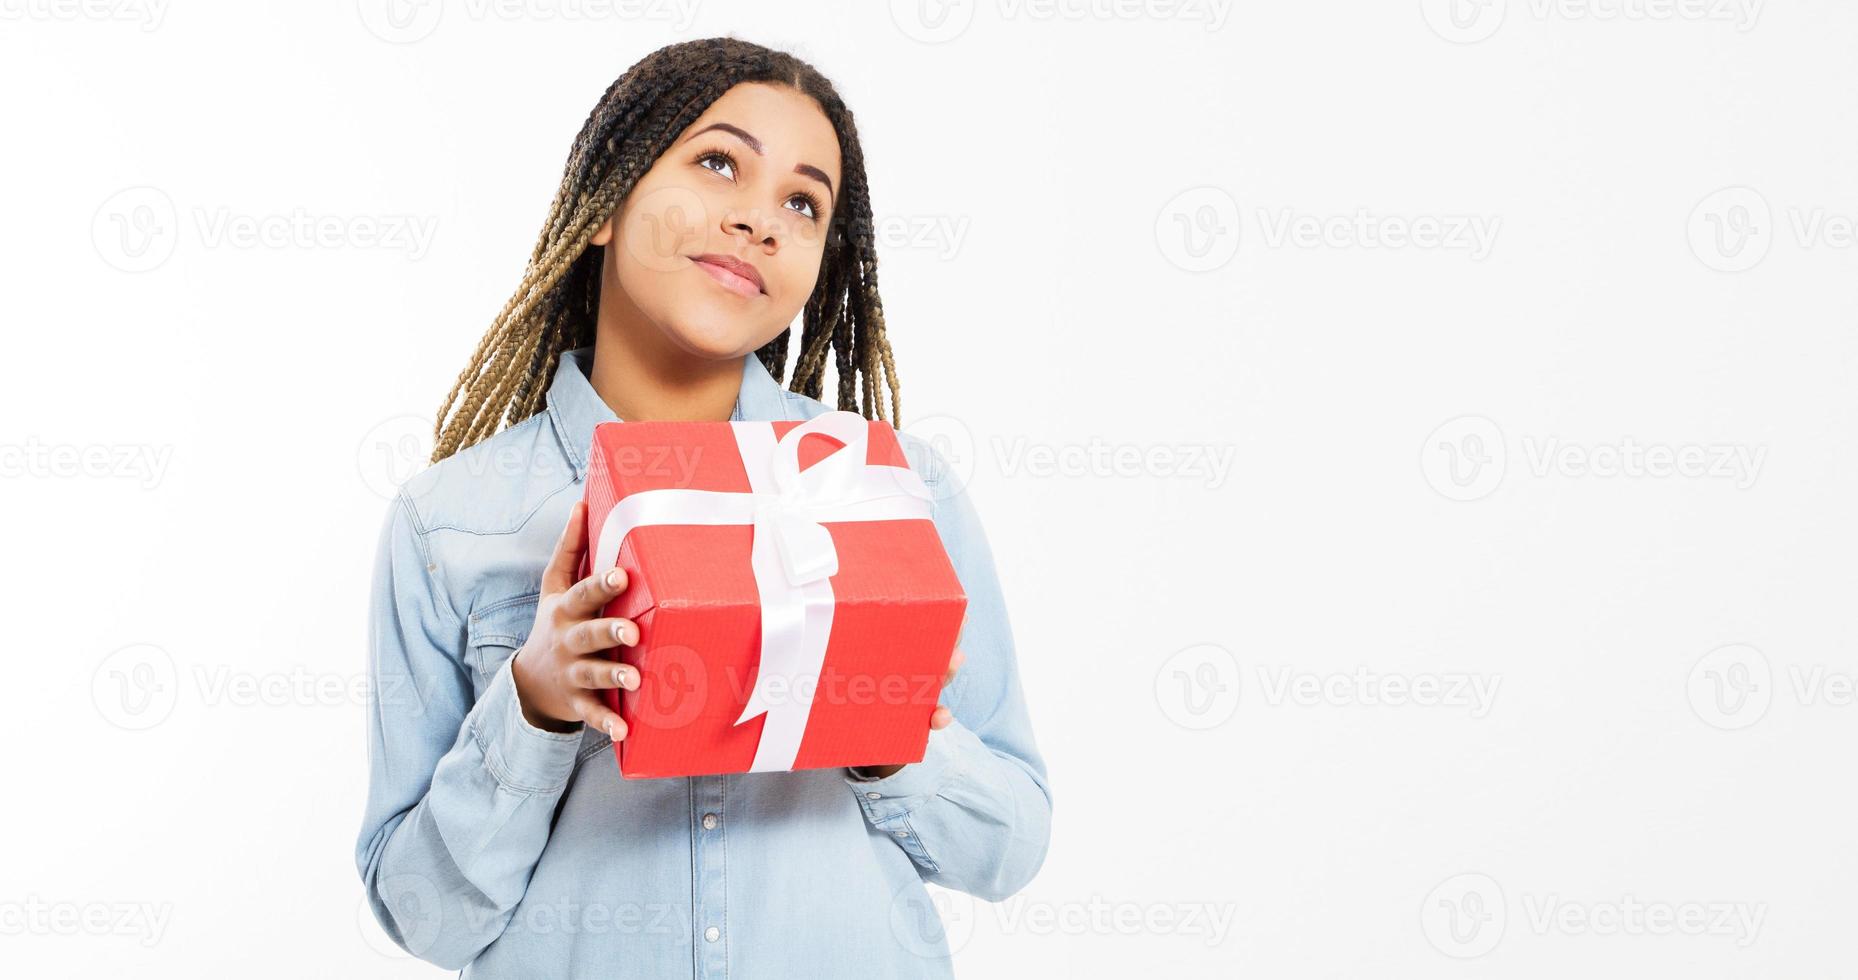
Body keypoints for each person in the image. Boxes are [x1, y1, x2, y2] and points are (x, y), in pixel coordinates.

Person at [354, 37, 1052, 978]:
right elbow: (423, 918)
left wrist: (893, 737)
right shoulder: (450, 525)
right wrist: (536, 707)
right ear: (607, 203)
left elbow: (1010, 849)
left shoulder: (890, 492)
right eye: (719, 162)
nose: (761, 220)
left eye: (803, 203)